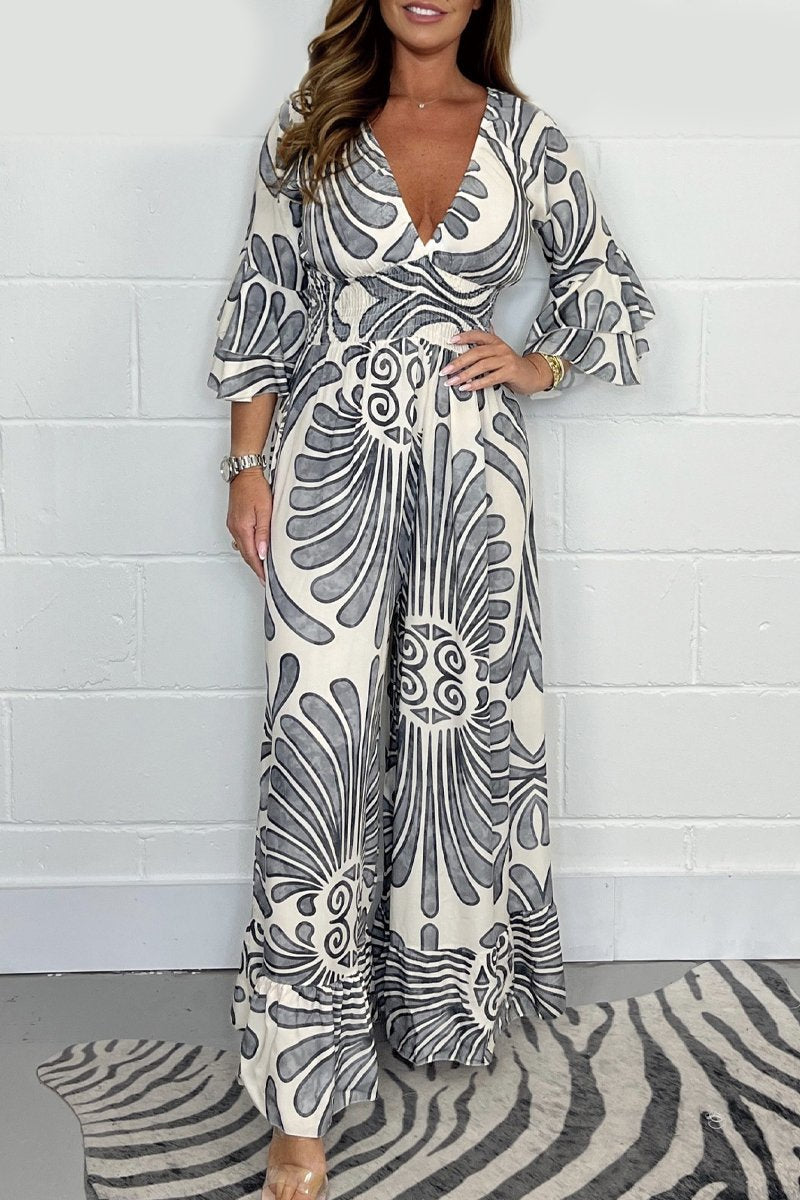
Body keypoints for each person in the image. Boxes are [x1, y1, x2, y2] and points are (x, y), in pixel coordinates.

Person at [207, 1, 656, 1196]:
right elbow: (265, 296)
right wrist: (244, 466)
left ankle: (432, 1009)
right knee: (317, 756)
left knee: (453, 744)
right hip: (328, 466)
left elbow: (606, 286)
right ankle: (298, 1099)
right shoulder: (312, 124)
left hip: (473, 472)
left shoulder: (524, 136)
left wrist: (538, 361)